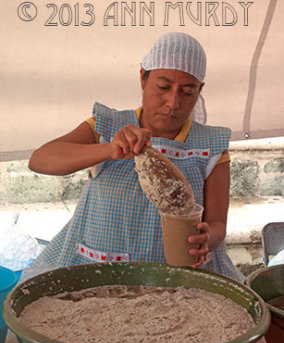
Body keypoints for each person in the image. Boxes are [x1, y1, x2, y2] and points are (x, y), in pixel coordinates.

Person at [27, 32, 245, 282]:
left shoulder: (211, 147)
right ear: (143, 77)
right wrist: (109, 150)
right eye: (163, 87)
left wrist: (209, 238)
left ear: (200, 90)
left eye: (187, 92)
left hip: (178, 279)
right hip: (103, 271)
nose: (173, 102)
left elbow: (218, 223)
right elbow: (40, 159)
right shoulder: (106, 127)